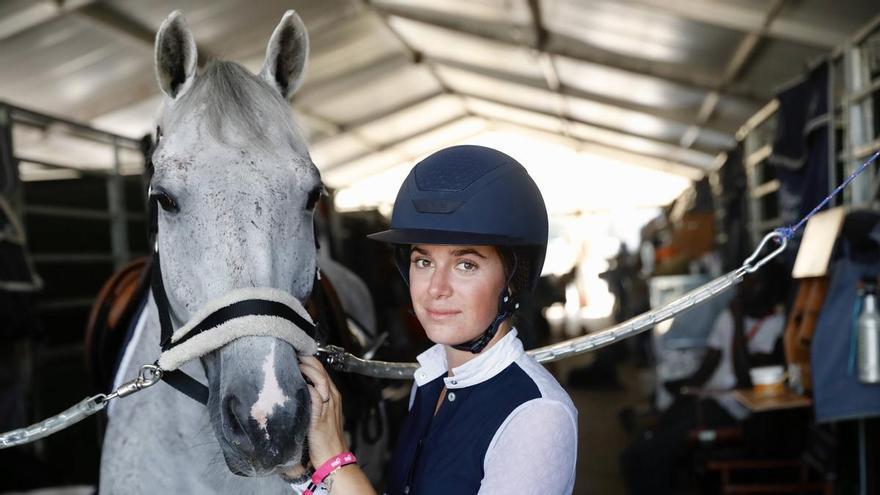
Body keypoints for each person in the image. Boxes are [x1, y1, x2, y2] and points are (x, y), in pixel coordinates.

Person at [291, 145, 578, 494]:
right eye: (423, 262)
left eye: (465, 264)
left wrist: (335, 459)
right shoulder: (432, 383)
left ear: (512, 280)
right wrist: (302, 473)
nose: (436, 288)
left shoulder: (537, 415)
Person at [620, 264, 787, 495]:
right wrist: (683, 390)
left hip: (734, 411)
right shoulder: (729, 316)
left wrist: (738, 323)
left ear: (768, 290)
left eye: (753, 284)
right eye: (744, 283)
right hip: (708, 400)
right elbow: (708, 365)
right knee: (638, 449)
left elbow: (745, 379)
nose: (743, 290)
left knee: (657, 451)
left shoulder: (775, 326)